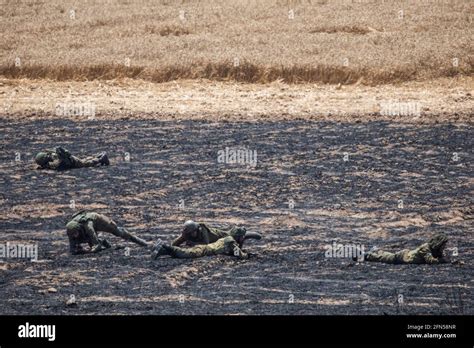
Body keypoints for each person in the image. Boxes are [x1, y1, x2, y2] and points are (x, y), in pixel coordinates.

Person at [66, 211, 150, 255]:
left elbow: (94, 241)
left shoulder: (88, 225)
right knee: (85, 239)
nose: (74, 235)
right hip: (87, 228)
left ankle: (141, 242)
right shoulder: (71, 230)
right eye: (73, 234)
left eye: (75, 233)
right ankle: (107, 245)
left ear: (78, 228)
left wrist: (93, 248)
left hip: (100, 221)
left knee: (119, 233)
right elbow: (72, 247)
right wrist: (76, 249)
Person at [151, 227, 258, 260]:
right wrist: (247, 255)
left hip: (205, 248)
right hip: (206, 250)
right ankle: (164, 245)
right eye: (242, 237)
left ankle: (161, 251)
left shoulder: (228, 239)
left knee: (182, 255)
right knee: (186, 254)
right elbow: (238, 254)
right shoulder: (231, 241)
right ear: (238, 237)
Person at [363, 233, 449, 264]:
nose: (444, 247)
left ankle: (376, 251)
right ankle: (369, 255)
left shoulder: (434, 250)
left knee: (389, 256)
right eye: (443, 245)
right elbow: (430, 260)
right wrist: (442, 261)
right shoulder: (425, 248)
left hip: (405, 256)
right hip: (404, 257)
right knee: (385, 258)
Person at [172, 220, 261, 247]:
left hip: (221, 236)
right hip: (217, 240)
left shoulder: (202, 230)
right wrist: (182, 238)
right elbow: (174, 244)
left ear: (196, 230)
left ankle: (242, 235)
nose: (191, 235)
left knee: (235, 238)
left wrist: (193, 244)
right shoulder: (187, 233)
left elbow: (206, 243)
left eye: (192, 233)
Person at [34, 146, 109, 170]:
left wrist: (47, 166)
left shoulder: (53, 158)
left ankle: (100, 159)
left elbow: (57, 165)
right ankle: (98, 156)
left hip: (72, 162)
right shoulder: (51, 154)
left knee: (84, 163)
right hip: (71, 159)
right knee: (83, 160)